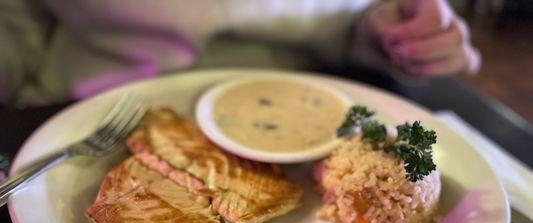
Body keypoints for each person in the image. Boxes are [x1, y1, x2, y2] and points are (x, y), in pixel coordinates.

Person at [0, 0, 480, 106]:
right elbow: (17, 28)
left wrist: (389, 32)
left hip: (309, 112)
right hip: (83, 120)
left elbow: (352, 18)